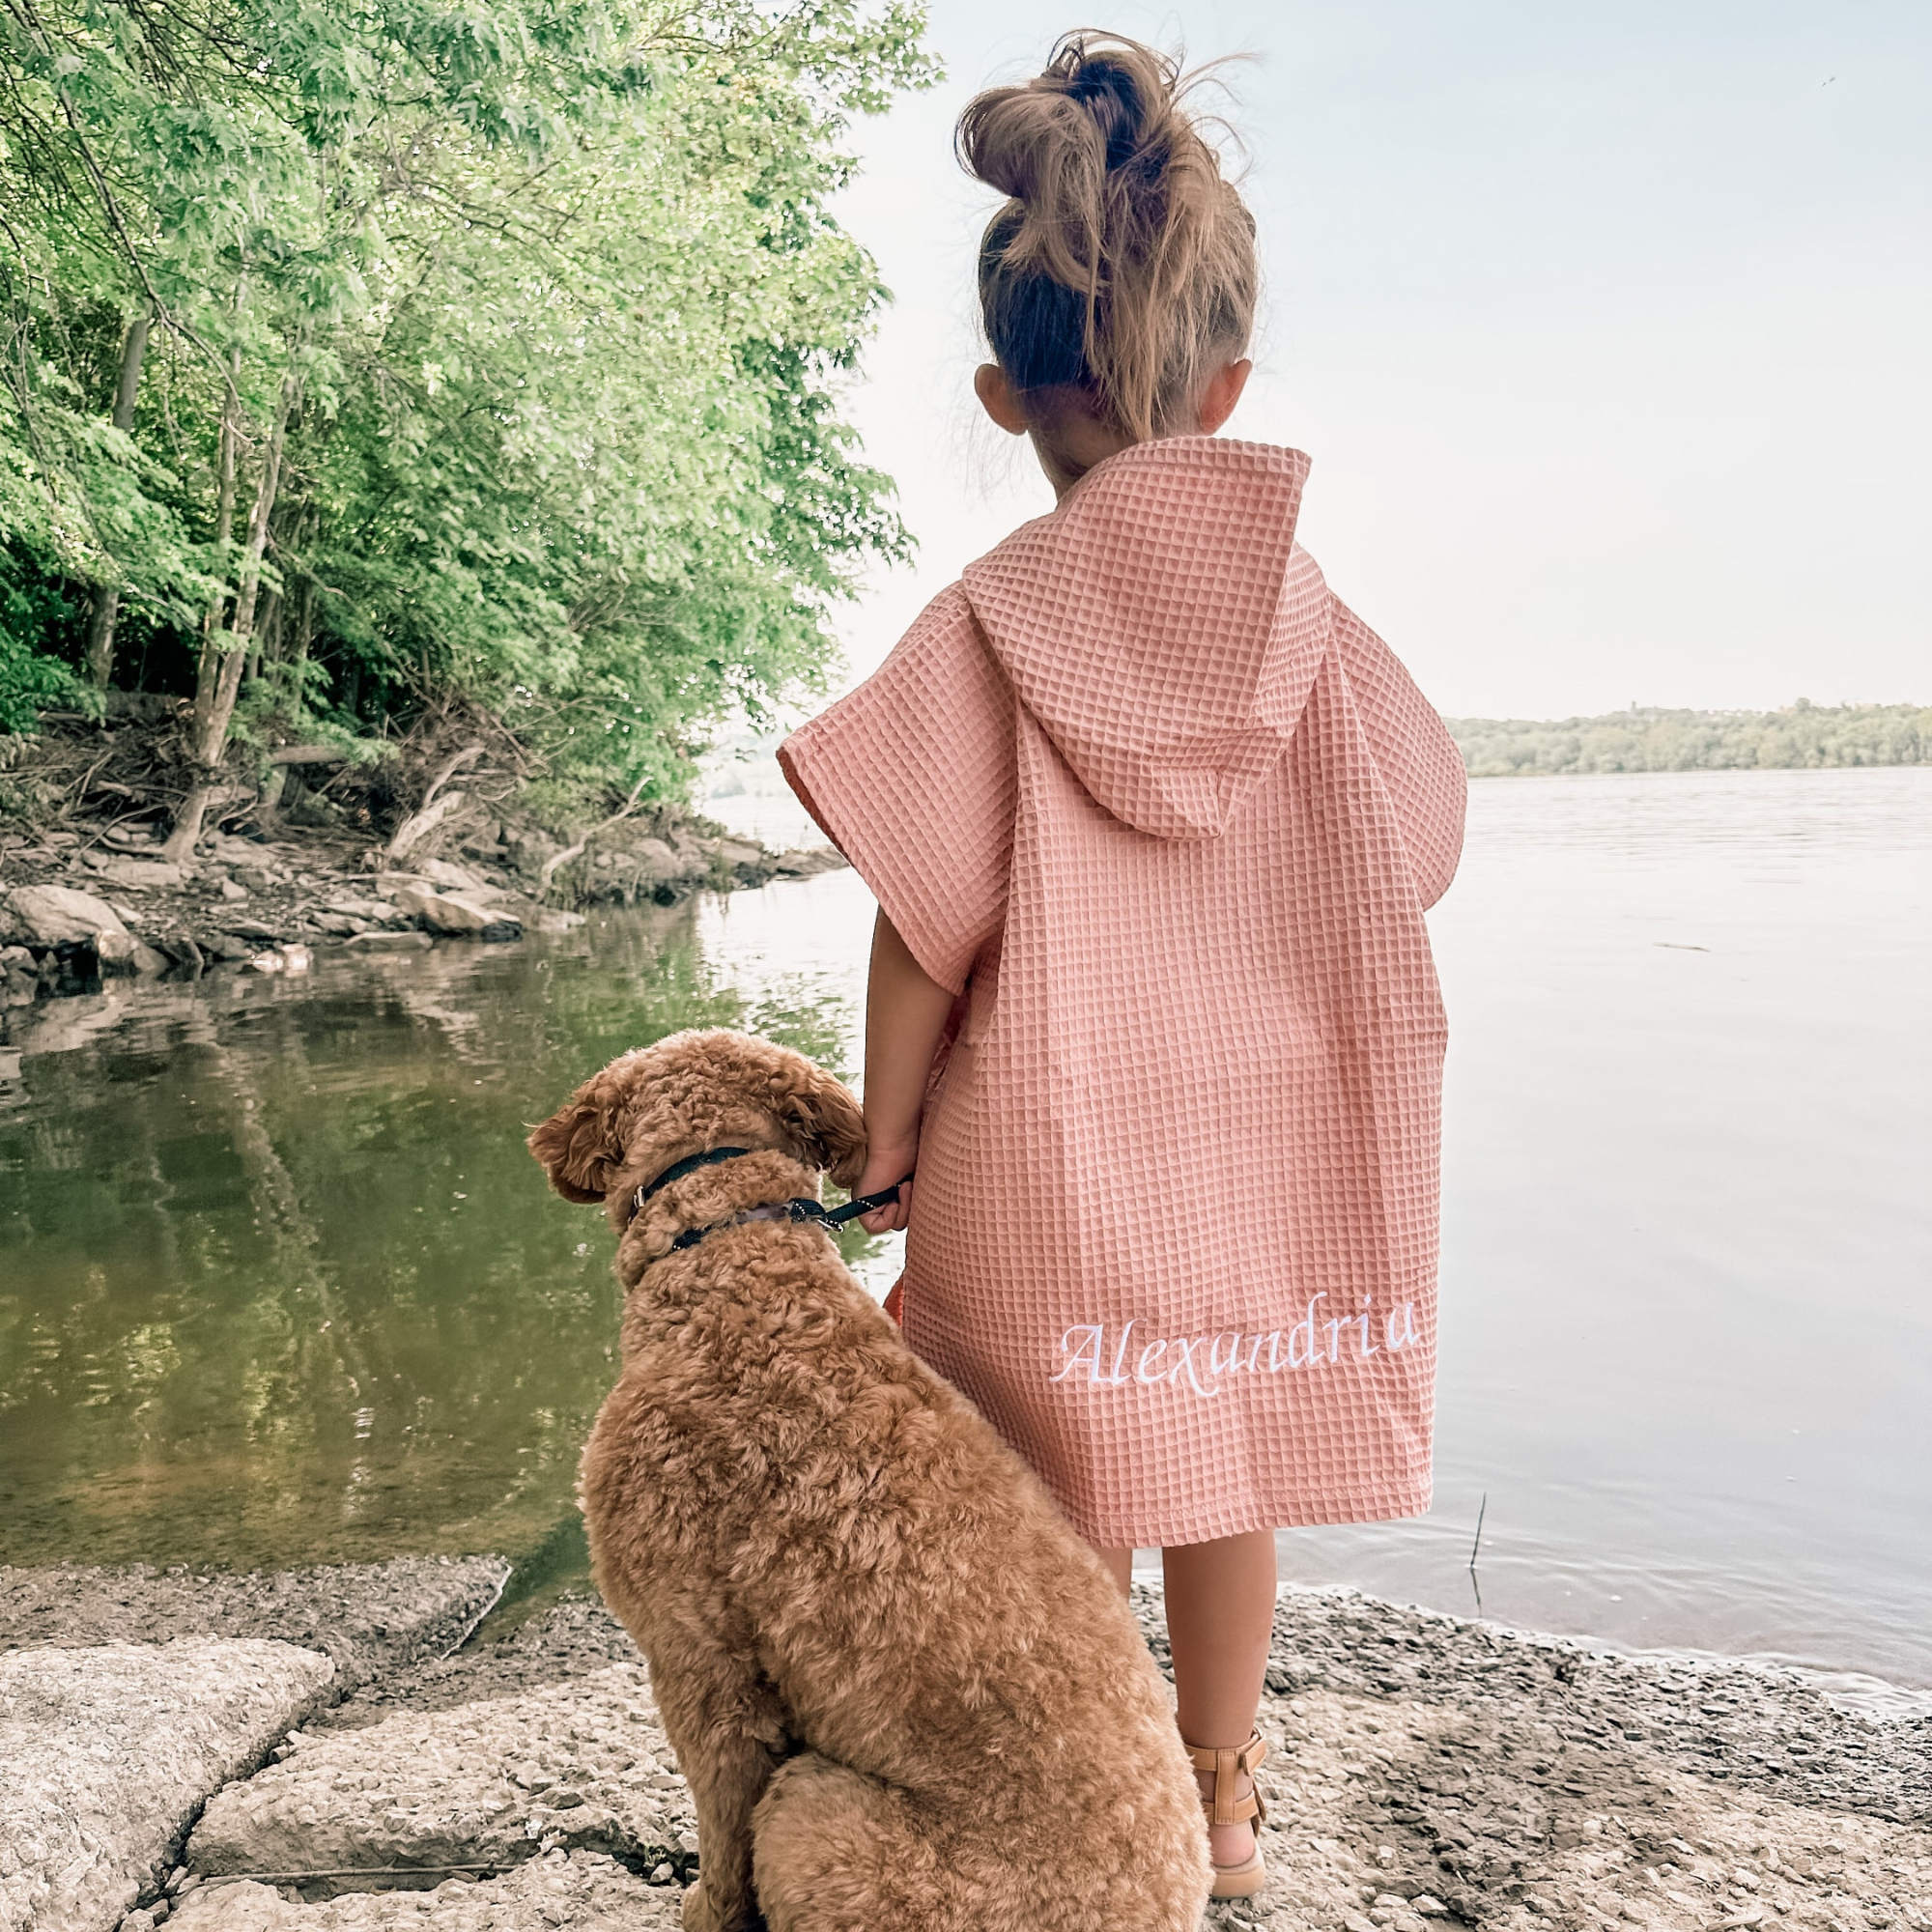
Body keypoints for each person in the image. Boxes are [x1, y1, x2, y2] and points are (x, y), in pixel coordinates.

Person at [779, 31, 1466, 1905]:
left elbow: (921, 916)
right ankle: (1221, 1808)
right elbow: (1418, 846)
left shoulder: (989, 624)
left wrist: (885, 1139)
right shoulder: (1317, 620)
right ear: (1229, 385)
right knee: (1222, 1462)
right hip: (1266, 1140)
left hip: (1049, 1142)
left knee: (1050, 1467)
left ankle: (1083, 1812)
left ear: (1006, 395)